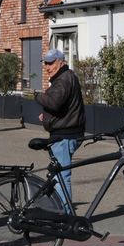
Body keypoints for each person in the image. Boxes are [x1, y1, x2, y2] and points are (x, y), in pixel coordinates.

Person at [35, 49, 84, 207]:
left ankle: (66, 217)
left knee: (62, 177)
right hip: (65, 134)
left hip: (65, 136)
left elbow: (54, 102)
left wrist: (37, 96)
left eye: (51, 63)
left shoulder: (63, 79)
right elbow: (65, 107)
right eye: (46, 64)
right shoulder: (64, 77)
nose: (47, 67)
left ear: (60, 62)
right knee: (58, 176)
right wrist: (48, 116)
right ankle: (60, 212)